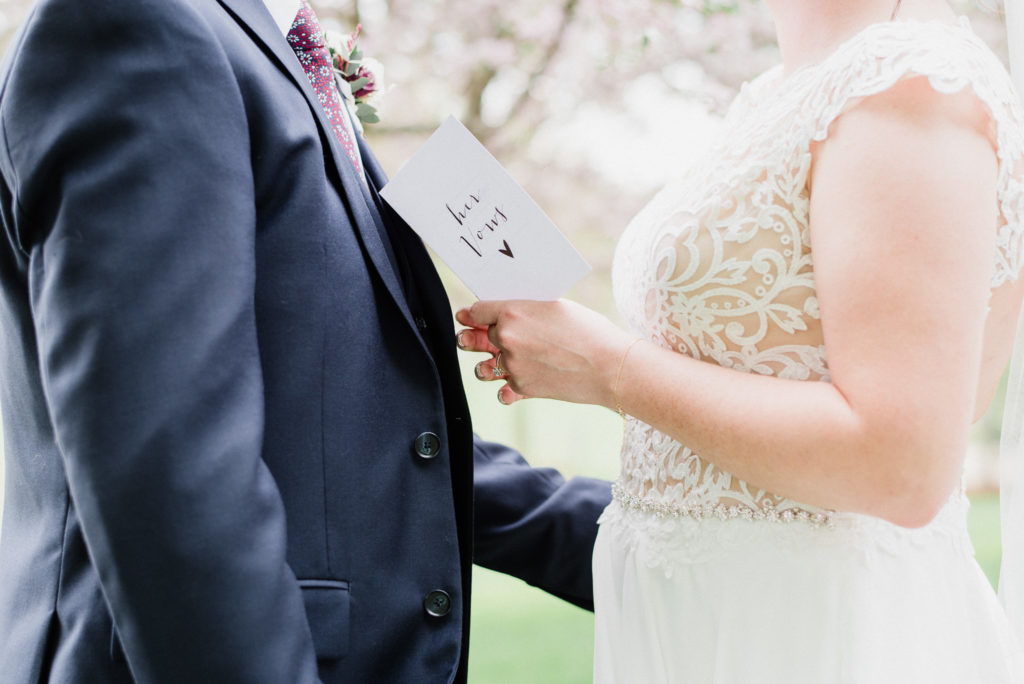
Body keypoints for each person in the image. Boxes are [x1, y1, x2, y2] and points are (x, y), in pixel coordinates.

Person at [0, 0, 612, 682]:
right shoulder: (136, 22)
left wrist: (660, 541)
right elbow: (168, 462)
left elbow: (364, 427)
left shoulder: (281, 52)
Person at [457, 0, 1024, 680]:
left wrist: (609, 369)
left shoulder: (911, 83)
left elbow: (899, 464)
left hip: (814, 635)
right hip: (701, 619)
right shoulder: (778, 91)